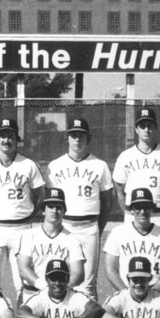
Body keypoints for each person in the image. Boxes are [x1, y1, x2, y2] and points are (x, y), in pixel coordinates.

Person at [0, 117, 46, 296]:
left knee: (25, 281)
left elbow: (40, 196)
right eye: (2, 136)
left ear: (16, 139)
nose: (6, 140)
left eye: (10, 136)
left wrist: (27, 213)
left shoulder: (28, 165)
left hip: (22, 229)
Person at [46, 117, 114, 299]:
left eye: (81, 135)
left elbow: (107, 202)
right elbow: (50, 202)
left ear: (88, 138)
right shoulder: (55, 166)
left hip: (89, 227)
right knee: (60, 277)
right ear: (66, 138)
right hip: (64, 227)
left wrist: (97, 228)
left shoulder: (100, 165)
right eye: (73, 135)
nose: (77, 139)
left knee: (88, 284)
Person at [102, 187, 160, 307]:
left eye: (146, 206)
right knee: (107, 311)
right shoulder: (117, 232)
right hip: (127, 289)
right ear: (131, 209)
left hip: (157, 290)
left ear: (152, 209)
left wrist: (152, 293)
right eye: (138, 207)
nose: (142, 211)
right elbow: (110, 270)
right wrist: (127, 294)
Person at [112, 107, 160, 230]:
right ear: (136, 129)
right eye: (142, 126)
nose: (147, 129)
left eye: (150, 126)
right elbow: (119, 190)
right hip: (133, 216)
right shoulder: (125, 156)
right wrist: (129, 212)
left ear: (155, 128)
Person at [16, 187, 85, 301]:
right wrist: (43, 286)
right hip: (33, 292)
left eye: (59, 207)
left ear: (64, 211)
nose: (54, 211)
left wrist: (59, 289)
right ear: (43, 210)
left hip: (61, 295)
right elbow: (23, 268)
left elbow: (78, 274)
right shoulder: (29, 235)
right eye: (50, 206)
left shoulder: (72, 239)